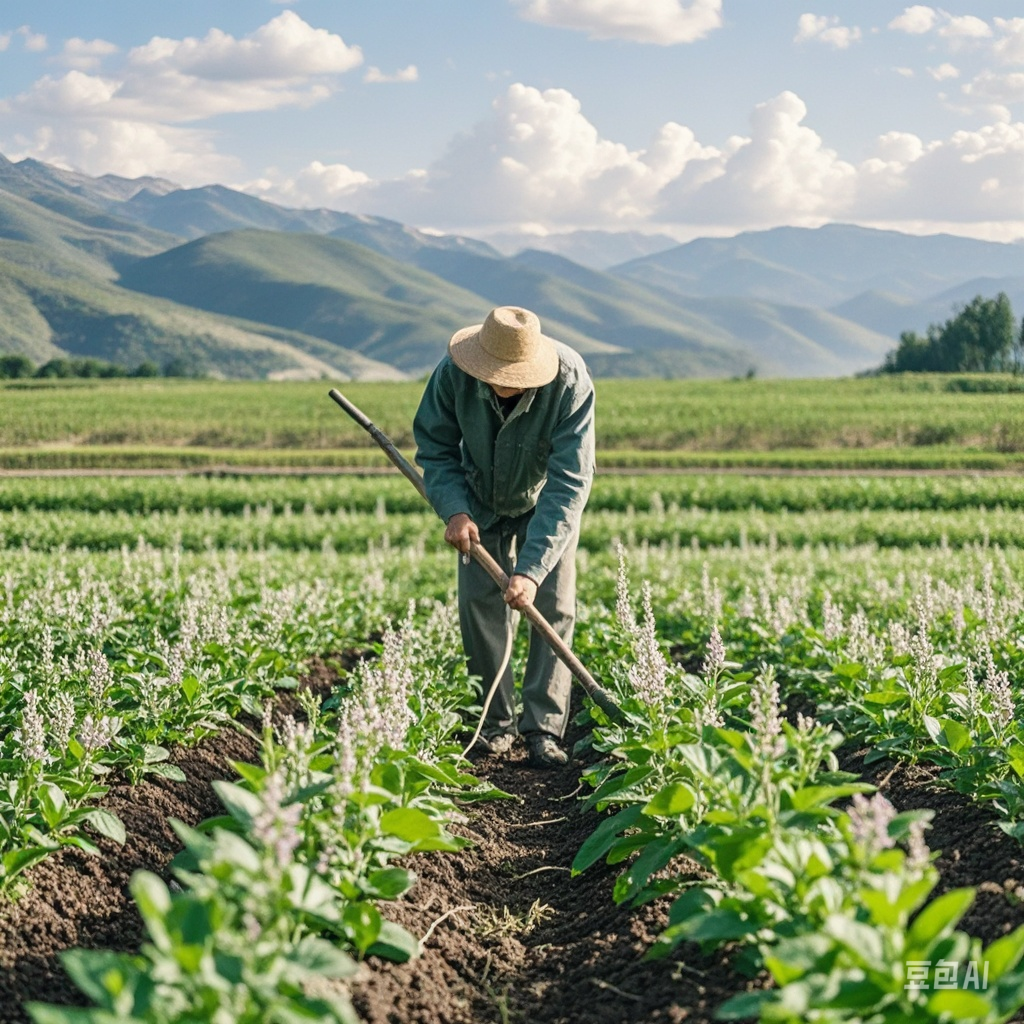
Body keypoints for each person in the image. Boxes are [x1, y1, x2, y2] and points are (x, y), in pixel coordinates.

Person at [413, 306, 595, 768]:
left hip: (544, 502)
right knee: (479, 606)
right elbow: (434, 447)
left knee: (551, 607)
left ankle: (543, 730)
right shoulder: (453, 374)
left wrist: (531, 570)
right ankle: (493, 727)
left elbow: (570, 483)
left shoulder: (569, 382)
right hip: (477, 497)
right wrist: (454, 508)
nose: (501, 380)